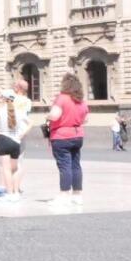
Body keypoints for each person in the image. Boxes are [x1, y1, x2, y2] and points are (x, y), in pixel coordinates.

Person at [47, 73, 89, 210]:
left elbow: (54, 116)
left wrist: (48, 114)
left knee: (64, 166)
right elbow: (85, 120)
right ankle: (77, 195)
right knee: (76, 165)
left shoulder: (62, 98)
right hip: (77, 135)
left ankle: (64, 195)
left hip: (61, 136)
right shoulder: (81, 101)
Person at [0, 88, 30, 203]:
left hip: (3, 139)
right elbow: (30, 123)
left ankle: (9, 193)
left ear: (3, 98)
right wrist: (22, 133)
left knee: (6, 169)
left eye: (0, 97)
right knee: (15, 168)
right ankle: (16, 192)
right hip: (16, 141)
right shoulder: (19, 111)